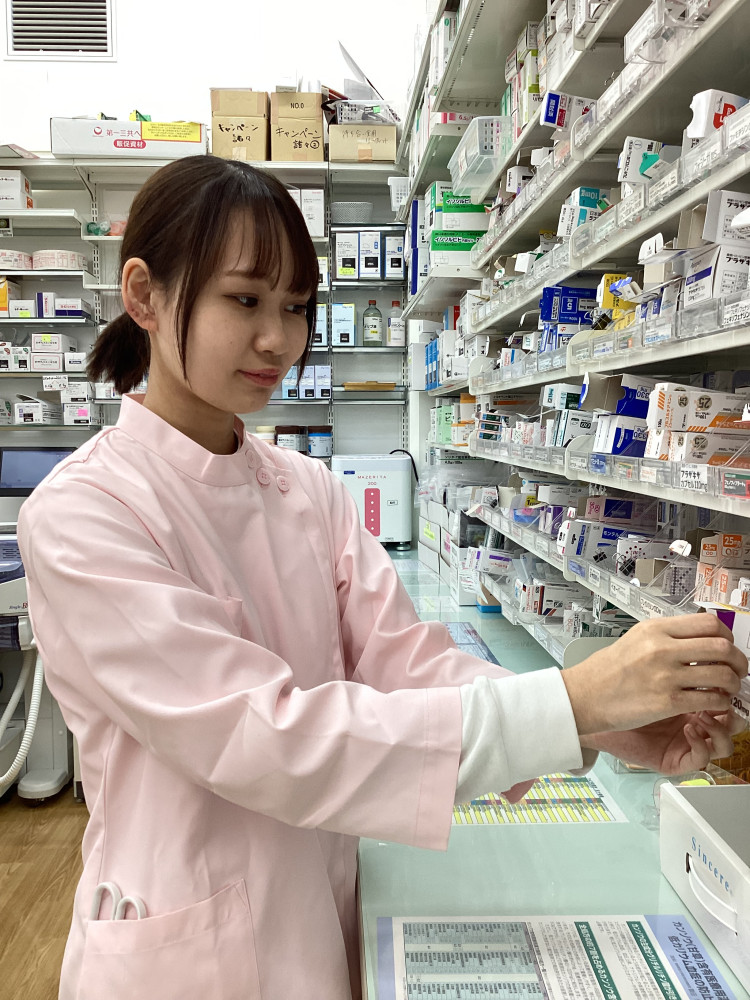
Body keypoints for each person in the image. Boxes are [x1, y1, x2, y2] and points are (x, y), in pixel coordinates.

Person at [18, 156, 747, 1000]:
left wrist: (604, 722)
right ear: (144, 295)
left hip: (319, 911)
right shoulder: (84, 514)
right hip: (180, 944)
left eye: (296, 306)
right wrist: (575, 701)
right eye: (244, 300)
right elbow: (269, 738)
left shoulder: (308, 490)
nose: (278, 339)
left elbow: (406, 662)